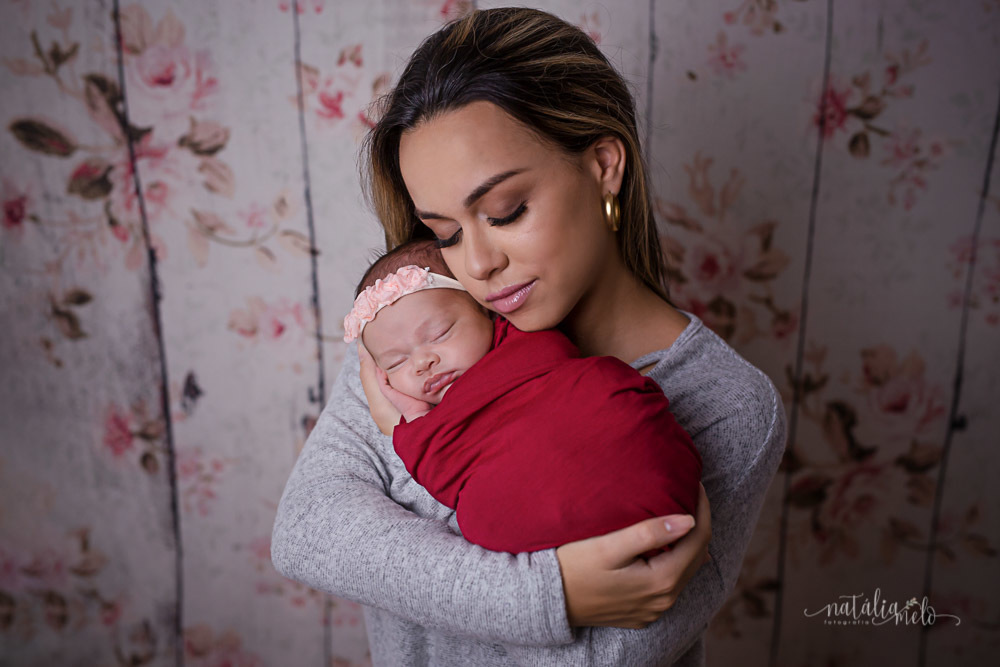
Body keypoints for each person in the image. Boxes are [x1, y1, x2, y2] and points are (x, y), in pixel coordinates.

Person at [271, 7, 786, 666]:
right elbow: (307, 529)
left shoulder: (726, 401)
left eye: (505, 211)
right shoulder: (414, 329)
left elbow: (597, 659)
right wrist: (554, 593)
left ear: (603, 164)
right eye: (447, 232)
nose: (477, 265)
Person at [343, 241, 702, 555]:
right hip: (550, 510)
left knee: (605, 386)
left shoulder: (526, 336)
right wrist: (411, 427)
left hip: (619, 455)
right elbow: (446, 472)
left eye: (440, 333)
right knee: (482, 516)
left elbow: (560, 374)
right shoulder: (403, 412)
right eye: (397, 361)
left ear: (487, 311)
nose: (423, 362)